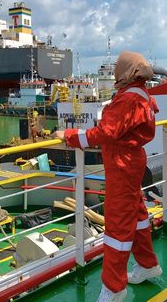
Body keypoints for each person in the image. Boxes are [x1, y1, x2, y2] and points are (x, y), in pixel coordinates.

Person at [54, 51, 162, 301]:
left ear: (125, 71)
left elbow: (104, 133)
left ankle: (114, 289)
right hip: (132, 162)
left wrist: (69, 137)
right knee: (137, 216)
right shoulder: (142, 93)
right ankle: (147, 264)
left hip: (121, 165)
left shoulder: (127, 99)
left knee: (117, 229)